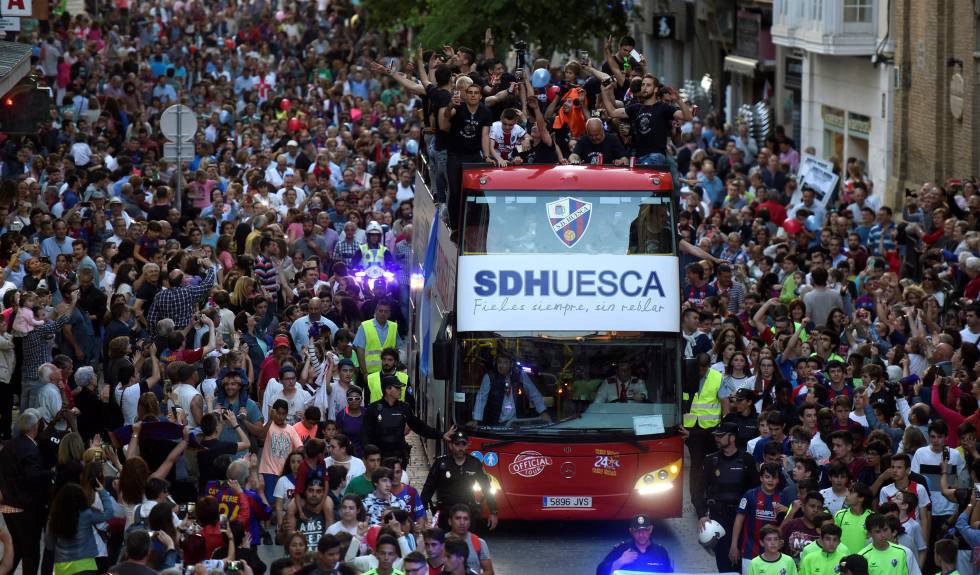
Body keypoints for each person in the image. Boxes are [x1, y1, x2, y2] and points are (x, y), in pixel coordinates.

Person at [694, 421, 759, 572]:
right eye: (716, 435)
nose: (717, 438)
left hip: (742, 517)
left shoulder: (747, 460)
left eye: (721, 436)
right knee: (723, 561)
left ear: (732, 438)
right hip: (719, 518)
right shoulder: (711, 460)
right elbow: (698, 491)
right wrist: (702, 515)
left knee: (741, 561)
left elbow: (755, 490)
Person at [0, 409, 52, 575]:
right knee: (31, 552)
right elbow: (32, 477)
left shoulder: (8, 446)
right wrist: (51, 472)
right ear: (35, 426)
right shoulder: (30, 448)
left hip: (7, 506)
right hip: (25, 508)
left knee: (17, 549)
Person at [421, 430, 497, 531]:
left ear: (468, 445)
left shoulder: (474, 464)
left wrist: (493, 512)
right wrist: (421, 513)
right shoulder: (441, 464)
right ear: (451, 445)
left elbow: (486, 488)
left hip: (467, 512)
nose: (460, 448)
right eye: (457, 444)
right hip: (446, 513)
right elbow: (428, 488)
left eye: (463, 444)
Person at [362, 375, 445, 463]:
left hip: (398, 458)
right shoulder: (373, 409)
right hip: (379, 458)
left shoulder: (404, 408)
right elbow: (365, 434)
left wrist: (441, 435)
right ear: (388, 390)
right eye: (397, 388)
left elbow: (419, 427)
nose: (400, 390)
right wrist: (369, 455)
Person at [470, 349, 549, 424]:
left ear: (511, 364)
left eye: (505, 362)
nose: (501, 365)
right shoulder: (489, 377)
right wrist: (476, 420)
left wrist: (543, 412)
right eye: (499, 362)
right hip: (496, 422)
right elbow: (481, 398)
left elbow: (533, 393)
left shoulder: (520, 375)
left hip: (517, 422)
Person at [596, 514, 672, 575]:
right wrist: (620, 562)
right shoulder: (621, 549)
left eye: (645, 530)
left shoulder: (660, 551)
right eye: (637, 531)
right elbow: (600, 572)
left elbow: (669, 572)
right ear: (631, 531)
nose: (641, 535)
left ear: (651, 529)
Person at [354, 299, 401, 379]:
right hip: (370, 373)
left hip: (389, 372)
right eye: (380, 311)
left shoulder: (394, 327)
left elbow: (396, 350)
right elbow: (360, 351)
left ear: (389, 313)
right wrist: (365, 373)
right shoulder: (365, 326)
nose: (383, 314)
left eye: (386, 311)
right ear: (375, 311)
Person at [445, 505, 493, 575]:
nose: (462, 522)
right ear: (450, 521)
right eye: (458, 518)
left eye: (465, 519)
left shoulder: (479, 542)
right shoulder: (440, 542)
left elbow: (489, 571)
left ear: (470, 522)